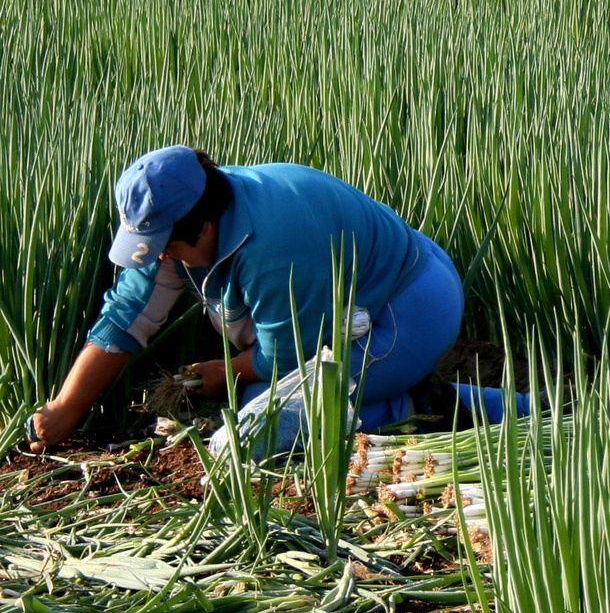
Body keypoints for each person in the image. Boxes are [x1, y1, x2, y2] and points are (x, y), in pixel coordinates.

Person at [24, 146, 503, 456]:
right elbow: (126, 317)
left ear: (204, 225)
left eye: (167, 247)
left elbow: (288, 356)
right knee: (256, 408)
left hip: (405, 308)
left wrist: (222, 372)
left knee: (254, 433)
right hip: (343, 312)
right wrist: (66, 407)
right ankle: (410, 397)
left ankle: (430, 405)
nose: (161, 257)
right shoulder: (184, 212)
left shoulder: (274, 247)